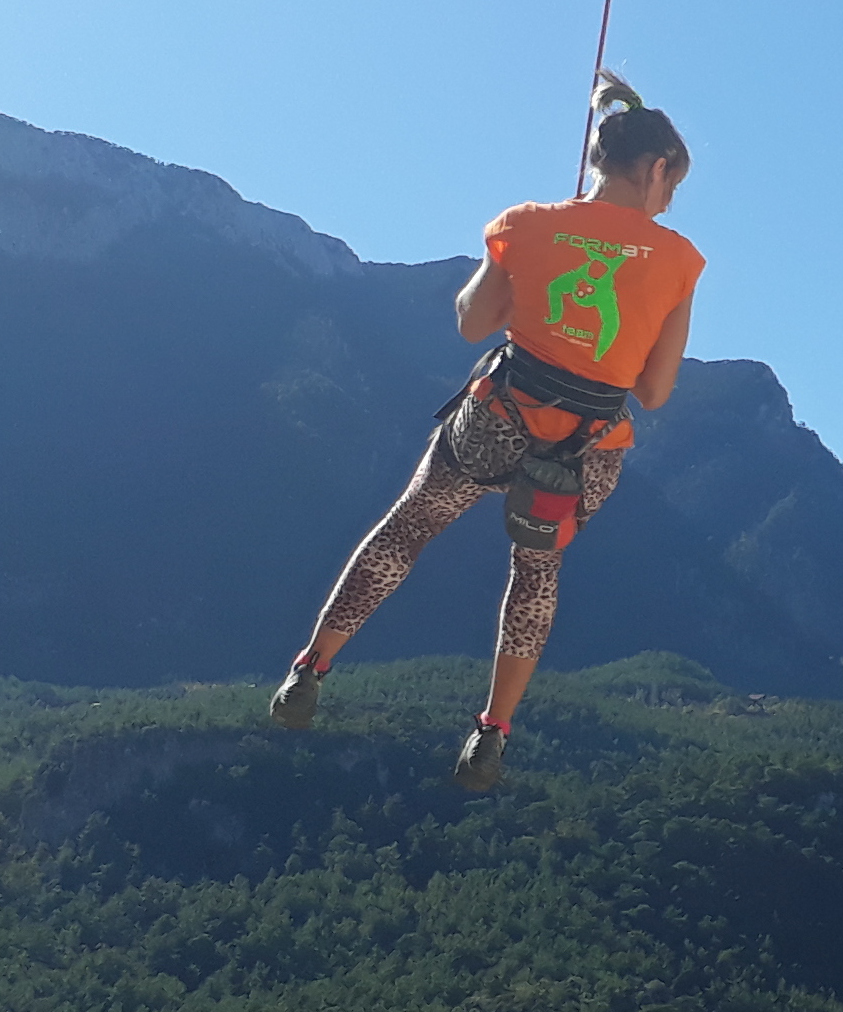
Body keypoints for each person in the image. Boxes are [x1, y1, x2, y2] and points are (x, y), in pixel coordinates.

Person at [266, 73, 704, 790]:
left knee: (407, 530)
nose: (667, 203)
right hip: (584, 450)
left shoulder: (524, 225)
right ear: (657, 169)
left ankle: (310, 670)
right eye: (671, 186)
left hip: (497, 418)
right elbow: (654, 392)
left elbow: (473, 321)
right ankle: (490, 732)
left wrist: (521, 256)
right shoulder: (680, 261)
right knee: (534, 575)